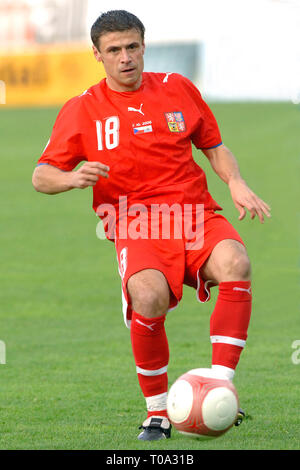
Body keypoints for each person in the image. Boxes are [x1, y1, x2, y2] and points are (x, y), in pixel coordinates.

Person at [32, 10, 271, 441]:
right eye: (114, 50)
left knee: (236, 261)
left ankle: (220, 386)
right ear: (97, 55)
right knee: (148, 295)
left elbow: (213, 146)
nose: (125, 58)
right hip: (136, 222)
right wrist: (71, 177)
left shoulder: (177, 89)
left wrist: (235, 182)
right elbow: (41, 175)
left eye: (132, 47)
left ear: (144, 45)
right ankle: (157, 412)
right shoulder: (83, 109)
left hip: (194, 213)